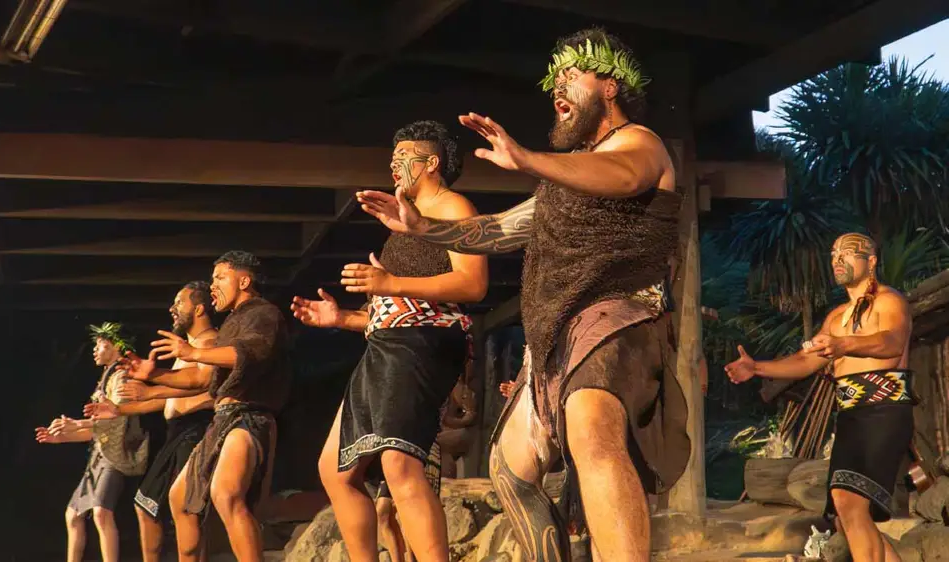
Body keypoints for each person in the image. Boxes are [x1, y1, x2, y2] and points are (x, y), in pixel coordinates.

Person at [356, 28, 690, 562]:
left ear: (610, 86)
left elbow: (624, 177)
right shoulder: (563, 178)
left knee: (590, 431)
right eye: (554, 78)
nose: (558, 87)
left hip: (616, 315)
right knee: (510, 469)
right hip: (554, 332)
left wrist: (529, 159)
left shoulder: (639, 142)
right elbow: (498, 230)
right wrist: (423, 230)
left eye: (572, 75)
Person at [292, 120, 488, 562]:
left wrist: (391, 281)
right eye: (392, 160)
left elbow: (473, 284)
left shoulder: (455, 208)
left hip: (425, 347)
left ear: (431, 163)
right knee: (335, 471)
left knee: (399, 464)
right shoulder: (404, 225)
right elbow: (395, 309)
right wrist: (343, 318)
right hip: (387, 347)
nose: (394, 167)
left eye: (404, 159)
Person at [726, 232, 913, 562]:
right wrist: (757, 367)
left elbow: (892, 342)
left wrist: (845, 345)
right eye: (833, 254)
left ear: (872, 261)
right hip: (852, 415)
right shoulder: (836, 318)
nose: (838, 259)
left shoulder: (889, 301)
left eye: (848, 252)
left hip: (884, 410)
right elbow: (805, 361)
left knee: (849, 501)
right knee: (846, 516)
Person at [120, 251, 290, 562]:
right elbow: (201, 378)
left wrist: (192, 352)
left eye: (220, 278)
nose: (213, 286)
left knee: (225, 495)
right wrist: (157, 375)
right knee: (180, 498)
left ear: (244, 280)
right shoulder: (231, 324)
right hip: (222, 420)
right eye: (212, 279)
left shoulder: (264, 313)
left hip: (247, 416)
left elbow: (248, 354)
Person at [84, 281, 219, 562]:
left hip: (197, 429)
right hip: (178, 431)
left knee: (188, 510)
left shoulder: (210, 344)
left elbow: (203, 385)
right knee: (145, 506)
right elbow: (171, 398)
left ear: (200, 308)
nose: (172, 308)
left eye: (179, 302)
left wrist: (153, 380)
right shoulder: (190, 348)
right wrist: (122, 410)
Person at [35, 322, 149, 562]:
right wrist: (62, 437)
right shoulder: (107, 378)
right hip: (100, 454)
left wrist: (76, 425)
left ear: (117, 346)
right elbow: (98, 431)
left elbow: (115, 422)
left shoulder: (122, 377)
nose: (95, 349)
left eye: (101, 344)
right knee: (73, 515)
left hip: (114, 455)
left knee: (100, 512)